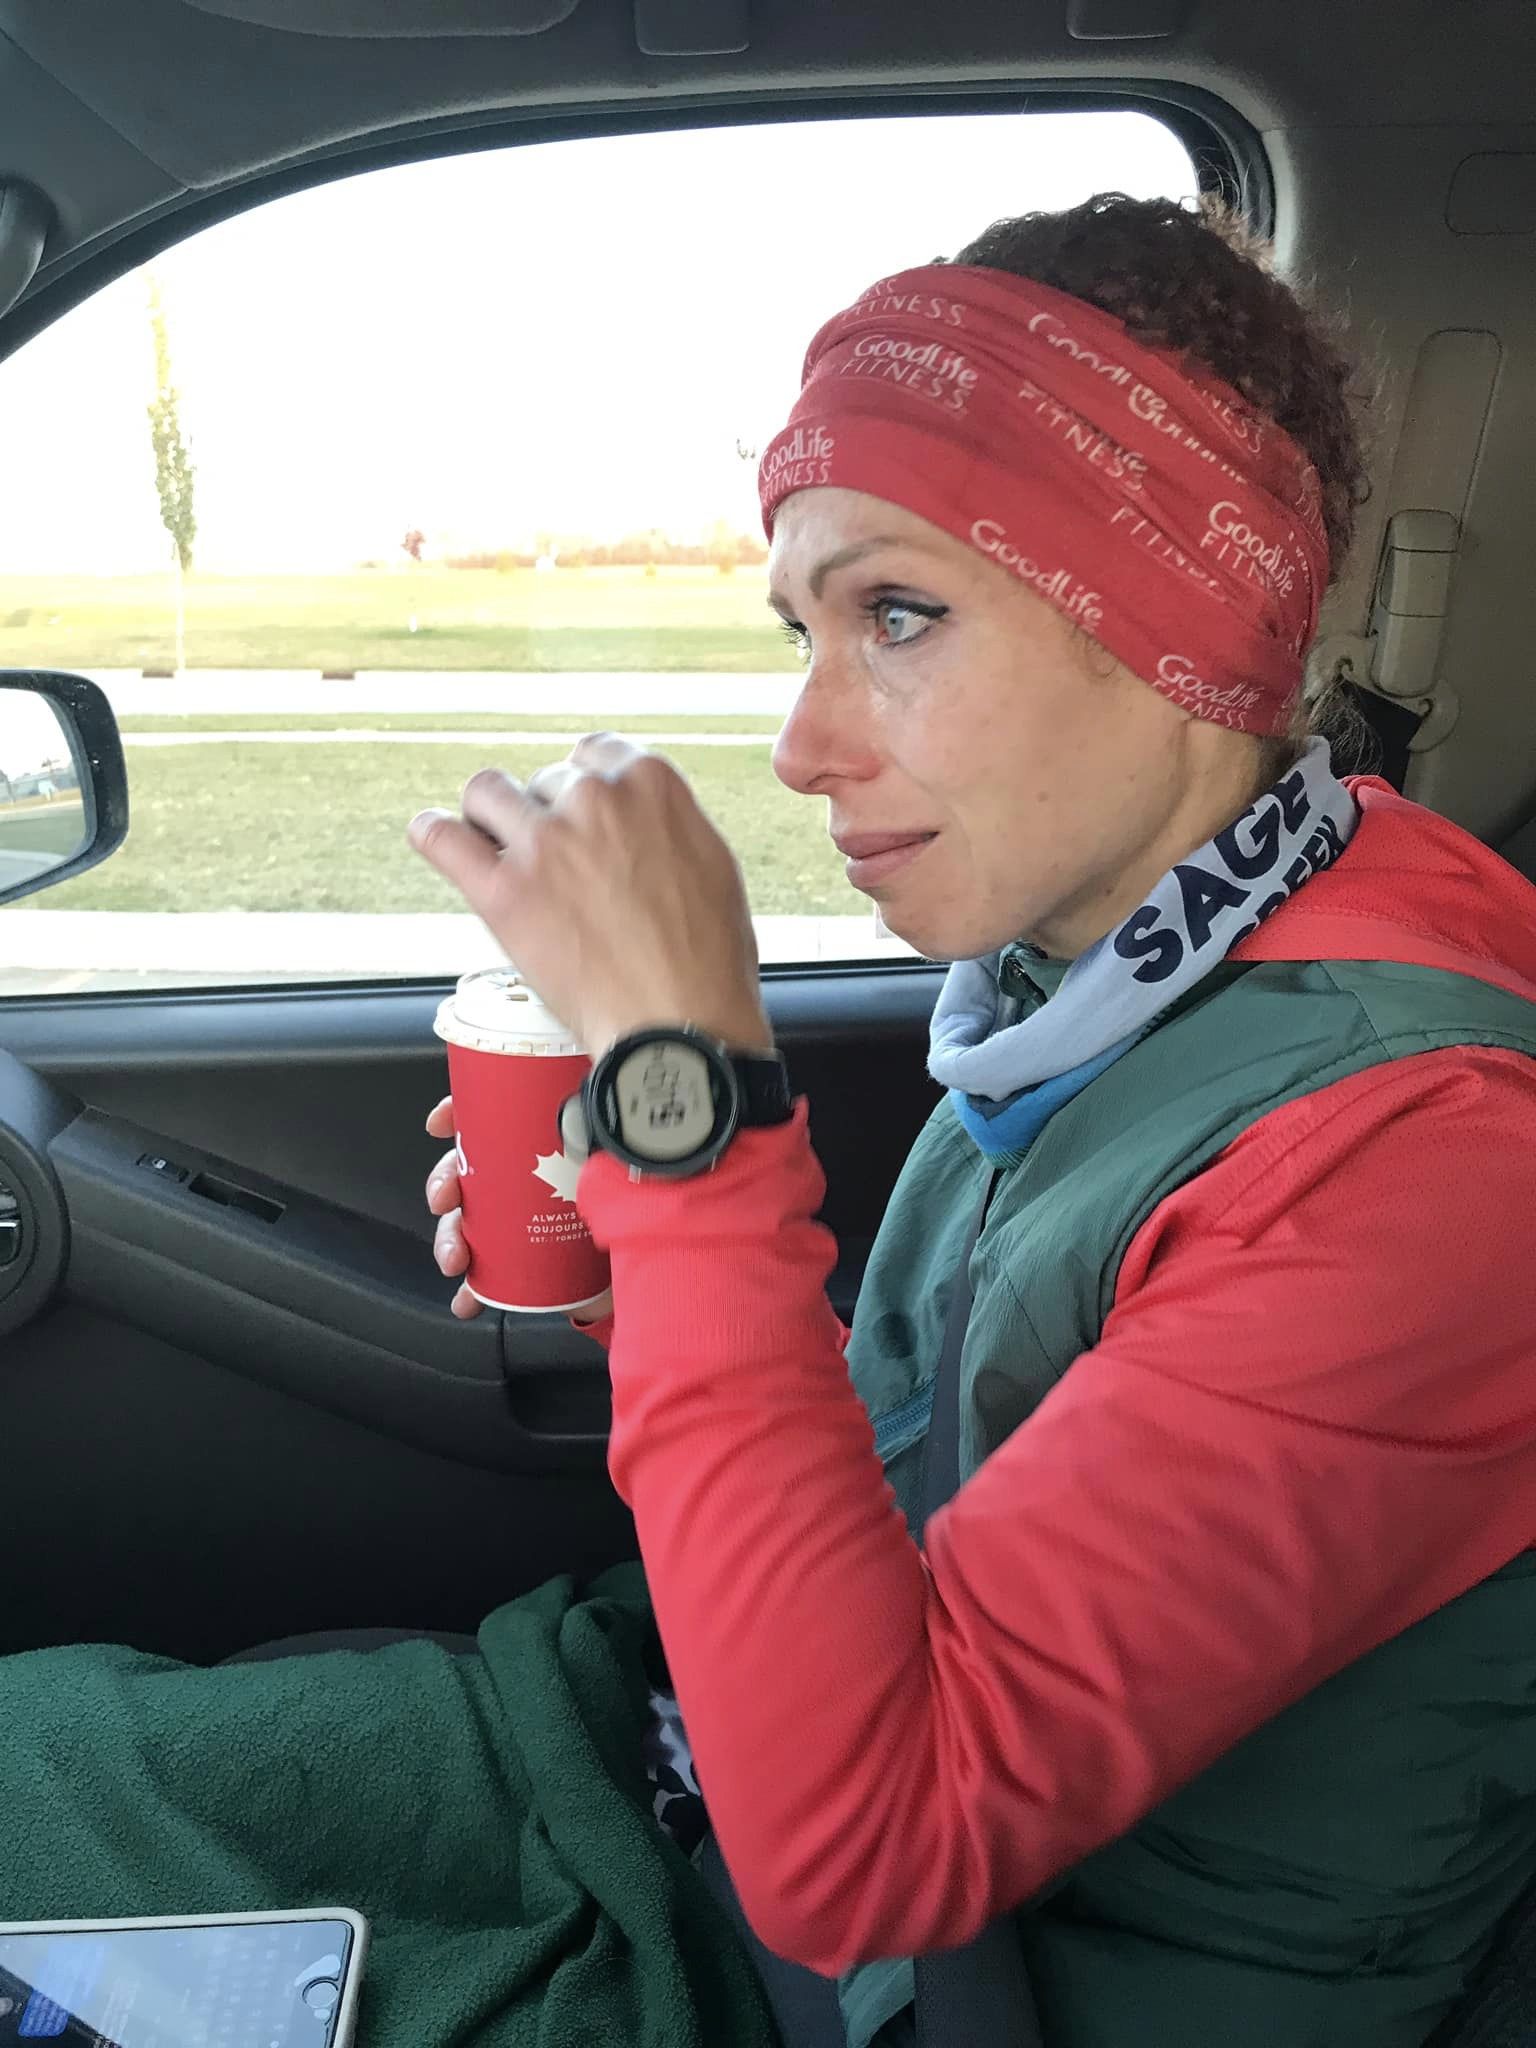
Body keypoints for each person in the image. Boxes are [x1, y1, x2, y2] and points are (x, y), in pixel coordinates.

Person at [410, 193, 1536, 2047]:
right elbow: (953, 1485)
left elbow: (870, 1855)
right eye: (802, 630)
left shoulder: (1422, 1164)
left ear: (1184, 620)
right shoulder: (1097, 983)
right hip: (827, 1859)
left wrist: (685, 1108)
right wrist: (650, 1291)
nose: (802, 746)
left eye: (899, 616)